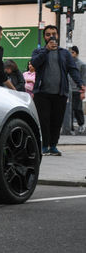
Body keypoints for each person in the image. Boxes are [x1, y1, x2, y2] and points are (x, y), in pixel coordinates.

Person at [31, 25, 86, 155]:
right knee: (44, 121)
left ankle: (53, 145)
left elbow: (72, 69)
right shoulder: (38, 51)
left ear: (57, 35)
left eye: (53, 34)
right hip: (42, 93)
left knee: (56, 121)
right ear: (44, 37)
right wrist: (46, 50)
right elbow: (35, 63)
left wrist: (80, 83)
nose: (51, 36)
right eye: (48, 34)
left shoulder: (65, 53)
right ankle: (44, 146)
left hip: (60, 93)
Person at [70, 46, 86, 134]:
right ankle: (71, 127)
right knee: (69, 109)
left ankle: (81, 124)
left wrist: (83, 91)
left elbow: (84, 78)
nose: (71, 54)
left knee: (77, 108)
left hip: (77, 89)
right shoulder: (67, 63)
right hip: (69, 90)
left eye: (73, 52)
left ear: (76, 53)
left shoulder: (82, 64)